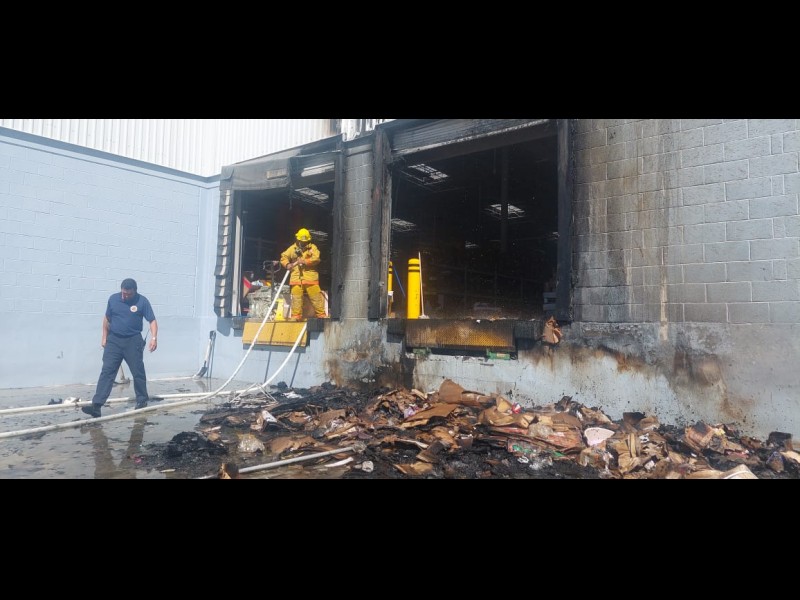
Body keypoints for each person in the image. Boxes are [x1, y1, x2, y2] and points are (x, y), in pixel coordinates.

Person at [82, 278, 158, 418]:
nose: (125, 296)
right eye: (123, 293)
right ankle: (96, 406)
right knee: (107, 371)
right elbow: (107, 319)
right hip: (114, 341)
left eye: (128, 294)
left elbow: (152, 321)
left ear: (135, 291)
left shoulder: (142, 301)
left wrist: (154, 338)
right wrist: (104, 337)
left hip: (133, 341)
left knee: (138, 372)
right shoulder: (113, 299)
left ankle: (142, 401)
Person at [279, 228, 327, 320]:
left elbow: (316, 258)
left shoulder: (313, 248)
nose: (303, 243)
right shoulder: (292, 248)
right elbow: (284, 257)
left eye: (305, 241)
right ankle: (296, 317)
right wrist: (287, 264)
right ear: (298, 239)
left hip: (310, 278)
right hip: (296, 278)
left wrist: (305, 261)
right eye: (301, 241)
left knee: (316, 297)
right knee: (296, 298)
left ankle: (321, 316)